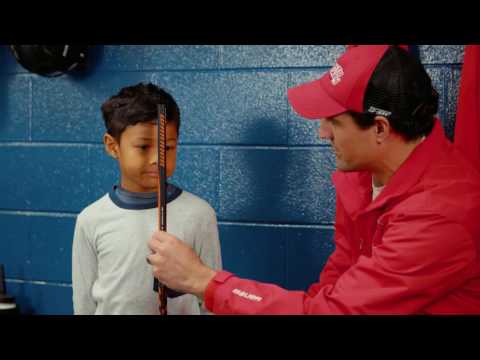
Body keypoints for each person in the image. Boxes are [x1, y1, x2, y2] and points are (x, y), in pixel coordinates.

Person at [147, 45, 480, 314]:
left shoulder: (440, 214)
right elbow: (334, 285)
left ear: (379, 128)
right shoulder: (365, 180)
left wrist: (204, 281)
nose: (321, 133)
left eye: (333, 122)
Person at [72, 82, 222, 315]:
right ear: (113, 146)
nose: (157, 159)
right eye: (143, 147)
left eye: (168, 148)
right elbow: (83, 304)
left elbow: (212, 297)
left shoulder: (199, 214)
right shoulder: (90, 219)